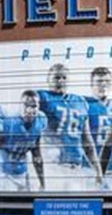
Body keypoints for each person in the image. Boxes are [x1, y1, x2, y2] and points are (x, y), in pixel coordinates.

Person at [36, 63, 104, 191]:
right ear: (48, 79)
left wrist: (98, 171)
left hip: (76, 168)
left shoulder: (80, 102)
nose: (60, 81)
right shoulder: (42, 97)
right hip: (53, 167)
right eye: (56, 77)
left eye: (64, 78)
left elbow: (87, 141)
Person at [0, 90, 47, 192]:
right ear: (20, 106)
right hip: (3, 173)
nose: (30, 110)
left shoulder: (41, 120)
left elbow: (36, 152)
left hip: (22, 172)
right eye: (26, 105)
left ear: (38, 107)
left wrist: (42, 183)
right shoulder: (8, 122)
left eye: (34, 106)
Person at [86, 66, 112, 180]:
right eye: (99, 82)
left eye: (107, 82)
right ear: (91, 84)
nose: (103, 85)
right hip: (89, 170)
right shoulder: (85, 105)